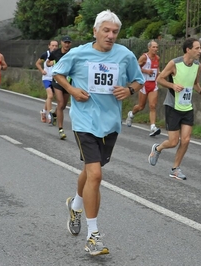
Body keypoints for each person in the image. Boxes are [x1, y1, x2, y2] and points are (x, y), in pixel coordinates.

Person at [52, 10, 144, 256]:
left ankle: (76, 204)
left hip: (110, 123)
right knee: (96, 174)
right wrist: (72, 89)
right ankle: (93, 236)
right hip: (84, 122)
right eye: (106, 30)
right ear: (95, 31)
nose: (111, 35)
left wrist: (129, 90)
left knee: (89, 172)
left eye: (115, 32)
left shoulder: (125, 55)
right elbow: (57, 74)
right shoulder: (79, 53)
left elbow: (138, 80)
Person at [148, 38, 201, 180]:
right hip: (173, 106)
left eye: (200, 48)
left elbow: (195, 83)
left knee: (185, 140)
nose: (200, 51)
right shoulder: (175, 63)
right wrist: (173, 86)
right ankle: (157, 148)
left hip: (187, 106)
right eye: (197, 48)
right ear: (188, 50)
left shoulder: (197, 65)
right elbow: (160, 79)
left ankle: (175, 169)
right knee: (173, 142)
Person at [126, 40, 161, 136]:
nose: (155, 49)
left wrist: (159, 73)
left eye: (156, 47)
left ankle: (153, 127)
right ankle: (131, 114)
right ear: (149, 48)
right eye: (153, 47)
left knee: (153, 106)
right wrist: (146, 71)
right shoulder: (144, 58)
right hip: (144, 85)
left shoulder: (157, 58)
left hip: (153, 84)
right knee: (141, 106)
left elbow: (157, 68)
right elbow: (135, 67)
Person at [47, 36, 72, 139]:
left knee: (63, 106)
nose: (67, 44)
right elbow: (48, 62)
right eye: (65, 42)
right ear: (61, 43)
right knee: (60, 103)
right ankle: (61, 129)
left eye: (68, 43)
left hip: (68, 81)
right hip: (57, 81)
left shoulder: (72, 53)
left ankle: (54, 113)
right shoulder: (55, 53)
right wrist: (51, 63)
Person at [35, 40, 59, 124]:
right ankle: (50, 114)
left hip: (55, 79)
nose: (54, 47)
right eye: (52, 45)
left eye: (56, 46)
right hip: (46, 78)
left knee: (49, 97)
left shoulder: (58, 55)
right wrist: (42, 70)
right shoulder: (45, 54)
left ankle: (43, 111)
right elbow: (37, 63)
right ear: (49, 46)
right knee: (50, 95)